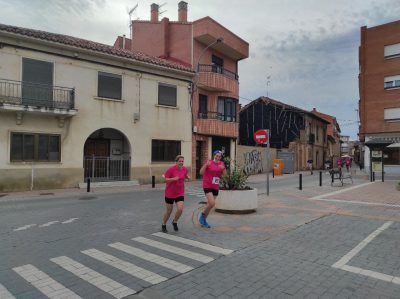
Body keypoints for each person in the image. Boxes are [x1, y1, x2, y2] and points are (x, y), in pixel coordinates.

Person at [161, 155, 190, 233]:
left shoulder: (184, 169)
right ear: (176, 162)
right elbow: (165, 180)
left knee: (180, 209)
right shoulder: (171, 169)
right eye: (179, 161)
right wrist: (173, 179)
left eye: (182, 161)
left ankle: (175, 222)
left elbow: (185, 175)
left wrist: (187, 177)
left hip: (180, 193)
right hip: (169, 193)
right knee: (169, 211)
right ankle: (163, 224)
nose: (181, 162)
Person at [199, 150, 227, 228]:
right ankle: (202, 215)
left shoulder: (222, 164)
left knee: (209, 205)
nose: (218, 157)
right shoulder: (209, 162)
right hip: (207, 185)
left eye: (219, 156)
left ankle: (204, 221)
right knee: (212, 203)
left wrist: (223, 169)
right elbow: (201, 173)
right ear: (213, 155)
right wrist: (205, 165)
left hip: (215, 186)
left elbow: (225, 176)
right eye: (216, 156)